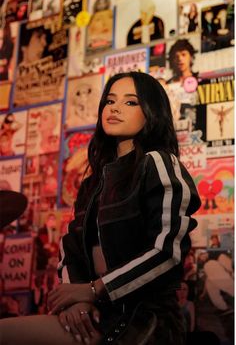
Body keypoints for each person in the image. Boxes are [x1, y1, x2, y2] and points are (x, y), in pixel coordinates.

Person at [0, 72, 201, 345]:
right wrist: (74, 302)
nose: (115, 108)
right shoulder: (92, 184)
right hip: (98, 312)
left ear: (152, 113)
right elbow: (69, 249)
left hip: (144, 318)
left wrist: (94, 290)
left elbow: (166, 252)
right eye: (110, 101)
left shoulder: (158, 163)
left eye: (131, 102)